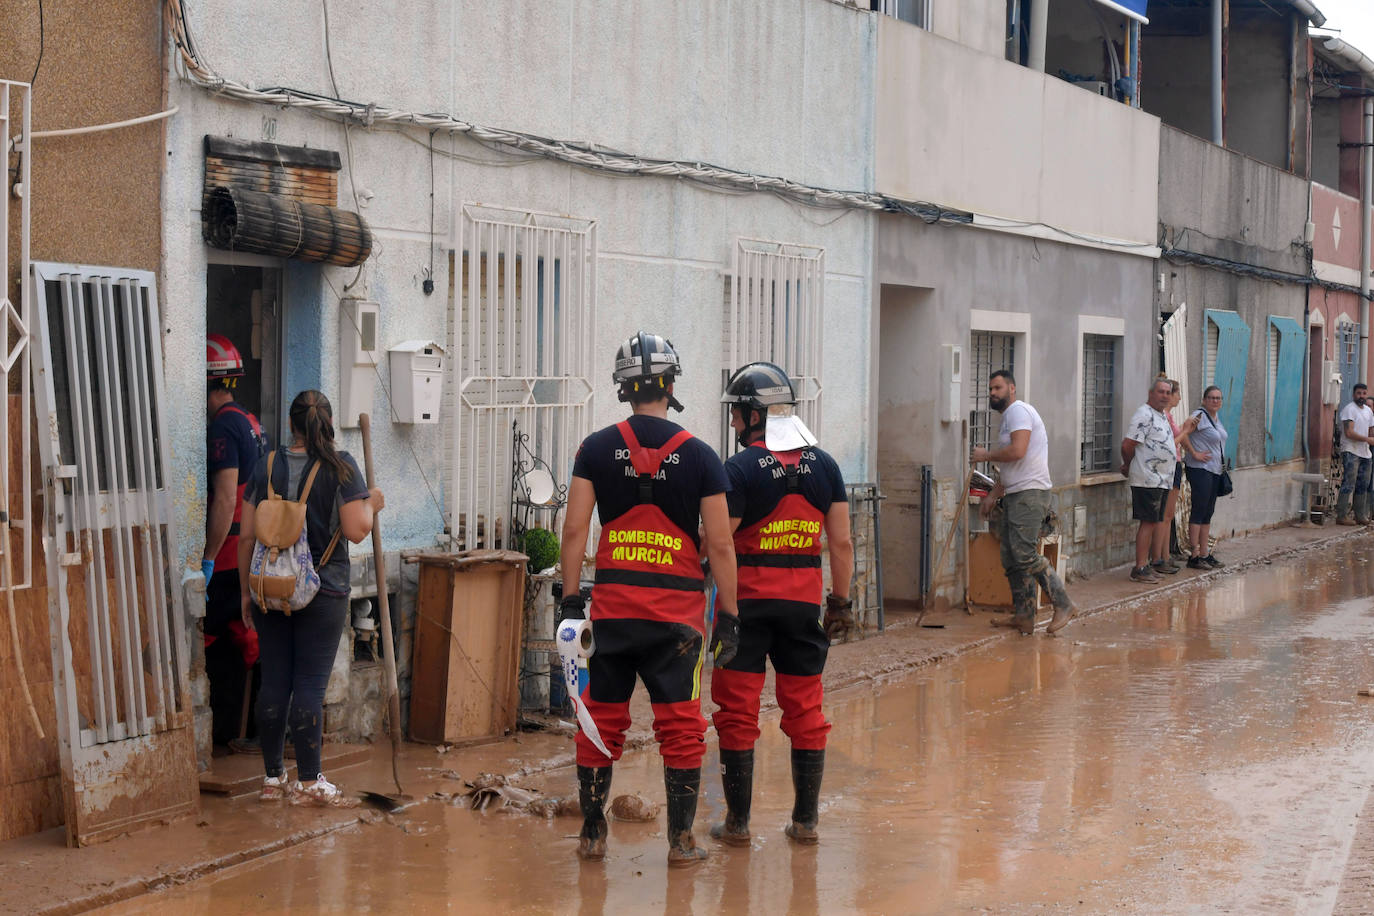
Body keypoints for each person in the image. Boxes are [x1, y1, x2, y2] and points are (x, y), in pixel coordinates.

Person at [557, 332, 740, 868]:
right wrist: (729, 615)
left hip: (611, 617)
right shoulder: (703, 457)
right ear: (671, 385)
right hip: (678, 625)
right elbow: (722, 544)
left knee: (600, 719)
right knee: (681, 725)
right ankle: (681, 843)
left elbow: (573, 531)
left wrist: (571, 600)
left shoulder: (595, 448)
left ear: (623, 388)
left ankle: (592, 834)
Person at [709, 361, 853, 849]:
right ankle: (806, 824)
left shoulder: (740, 469)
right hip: (802, 611)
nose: (732, 424)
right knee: (806, 711)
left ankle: (737, 826)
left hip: (747, 610)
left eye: (737, 414)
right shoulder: (826, 466)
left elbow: (720, 543)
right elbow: (843, 546)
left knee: (736, 712)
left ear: (756, 414)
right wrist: (841, 604)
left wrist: (723, 614)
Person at [237, 390, 384, 805]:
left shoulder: (266, 464)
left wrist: (248, 594)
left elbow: (247, 536)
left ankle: (271, 779)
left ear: (291, 425)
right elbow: (356, 529)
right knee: (308, 685)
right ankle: (308, 782)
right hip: (323, 590)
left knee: (275, 683)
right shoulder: (342, 467)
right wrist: (372, 503)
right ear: (329, 424)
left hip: (270, 588)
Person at [970, 370, 1075, 635]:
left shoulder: (1018, 412)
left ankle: (1063, 603)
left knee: (1024, 554)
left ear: (1012, 389)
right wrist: (993, 495)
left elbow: (1017, 451)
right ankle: (1024, 614)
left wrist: (985, 454)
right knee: (1010, 556)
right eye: (990, 389)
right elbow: (1012, 467)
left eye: (998, 388)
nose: (992, 393)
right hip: (1016, 493)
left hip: (1030, 494)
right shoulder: (1008, 418)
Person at [204, 335, 267, 746]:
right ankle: (251, 733)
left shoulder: (224, 426)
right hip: (251, 551)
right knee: (245, 641)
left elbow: (227, 497)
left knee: (215, 646)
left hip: (228, 558)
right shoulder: (251, 421)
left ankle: (226, 736)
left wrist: (206, 558)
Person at [1121, 378, 1177, 583]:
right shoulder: (1144, 415)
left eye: (1167, 393)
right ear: (1151, 393)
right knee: (1148, 522)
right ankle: (1140, 567)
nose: (1164, 396)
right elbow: (1127, 445)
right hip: (1147, 478)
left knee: (1154, 522)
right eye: (1161, 392)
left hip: (1162, 479)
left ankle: (1146, 564)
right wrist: (1127, 465)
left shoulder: (1161, 416)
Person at [1179, 385, 1226, 568]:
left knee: (1208, 512)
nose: (1215, 401)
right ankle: (1194, 555)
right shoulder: (1199, 415)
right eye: (1212, 398)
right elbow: (1183, 434)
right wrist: (1194, 453)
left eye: (1218, 398)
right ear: (1204, 400)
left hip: (1214, 470)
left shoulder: (1215, 418)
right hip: (1200, 469)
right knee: (1199, 511)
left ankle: (1206, 554)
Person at [1149, 377, 1184, 577]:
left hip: (1175, 464)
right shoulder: (1164, 418)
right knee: (1163, 515)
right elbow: (1171, 443)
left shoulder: (1168, 417)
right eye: (1177, 394)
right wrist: (1187, 430)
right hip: (1168, 466)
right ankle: (1158, 558)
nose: (1178, 398)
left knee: (1168, 514)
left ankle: (1165, 555)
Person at [1335, 383, 1374, 525]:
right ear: (1353, 394)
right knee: (1349, 482)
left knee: (1363, 483)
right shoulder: (1349, 410)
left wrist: (1370, 438)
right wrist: (1367, 439)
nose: (1361, 396)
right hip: (1351, 451)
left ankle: (1360, 515)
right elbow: (1349, 432)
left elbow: (1371, 430)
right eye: (1359, 393)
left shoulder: (1368, 412)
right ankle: (1342, 515)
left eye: (1364, 393)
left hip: (1365, 452)